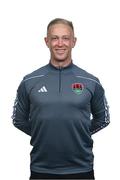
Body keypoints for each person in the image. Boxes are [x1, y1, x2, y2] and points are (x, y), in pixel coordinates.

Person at [12, 18, 110, 180]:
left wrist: (81, 132)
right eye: (54, 38)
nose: (60, 43)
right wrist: (42, 132)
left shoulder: (91, 81)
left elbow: (103, 119)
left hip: (81, 168)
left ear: (73, 42)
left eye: (65, 38)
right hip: (41, 169)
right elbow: (18, 120)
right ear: (47, 41)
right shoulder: (29, 81)